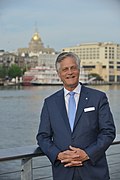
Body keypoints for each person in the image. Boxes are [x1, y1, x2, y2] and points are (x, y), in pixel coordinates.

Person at [36, 52, 116, 180]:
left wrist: (87, 154)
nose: (70, 72)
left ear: (78, 70)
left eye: (73, 68)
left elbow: (108, 132)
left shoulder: (98, 98)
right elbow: (42, 137)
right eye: (65, 69)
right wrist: (59, 155)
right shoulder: (50, 103)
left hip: (94, 172)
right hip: (64, 172)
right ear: (59, 74)